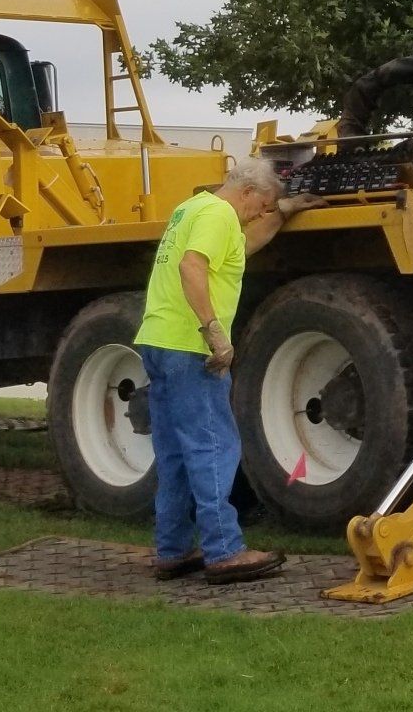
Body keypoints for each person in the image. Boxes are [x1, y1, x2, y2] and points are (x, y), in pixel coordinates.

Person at [134, 156, 320, 584]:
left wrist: (286, 211)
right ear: (248, 192)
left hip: (157, 341)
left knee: (175, 452)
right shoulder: (219, 215)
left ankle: (173, 550)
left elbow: (244, 244)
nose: (262, 212)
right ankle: (224, 551)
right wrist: (214, 331)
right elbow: (192, 266)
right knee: (213, 445)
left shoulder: (193, 209)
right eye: (264, 204)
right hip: (190, 347)